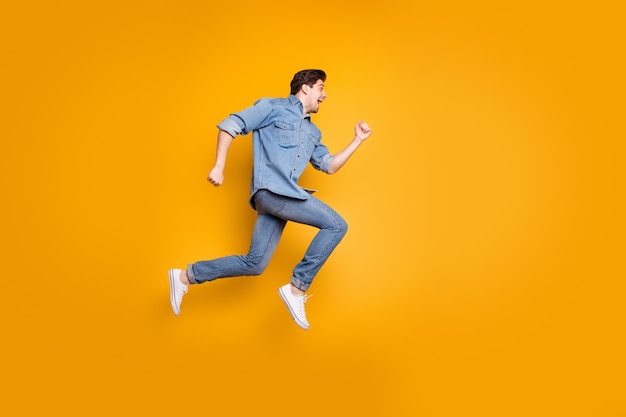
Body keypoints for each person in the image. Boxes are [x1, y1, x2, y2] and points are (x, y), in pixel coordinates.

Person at [168, 69, 372, 330]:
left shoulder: (314, 133)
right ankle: (297, 288)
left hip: (281, 200)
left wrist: (357, 140)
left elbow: (330, 165)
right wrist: (219, 165)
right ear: (306, 88)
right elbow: (231, 124)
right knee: (336, 225)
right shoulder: (272, 107)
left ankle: (185, 277)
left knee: (255, 264)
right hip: (272, 193)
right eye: (321, 87)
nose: (325, 94)